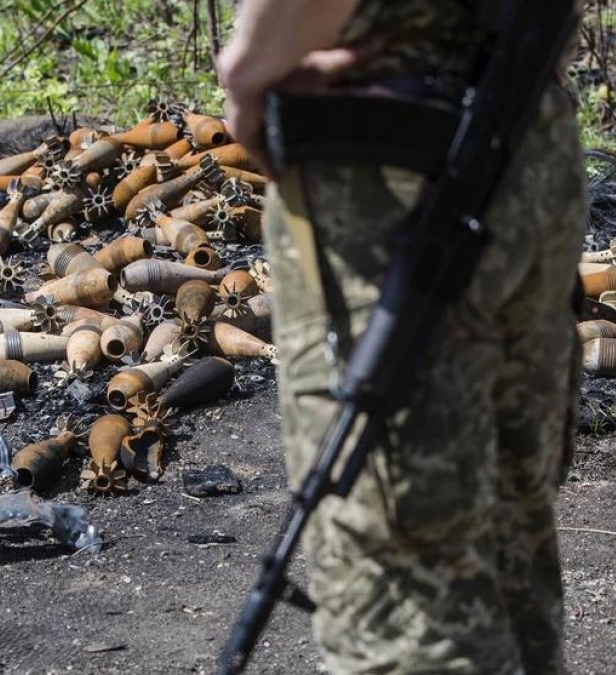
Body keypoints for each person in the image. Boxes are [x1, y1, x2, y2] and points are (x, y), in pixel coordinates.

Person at [217, 2, 587, 673]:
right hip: (530, 123)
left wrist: (249, 69)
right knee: (510, 556)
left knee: (406, 607)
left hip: (386, 155)